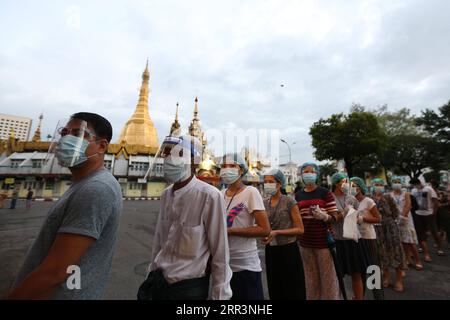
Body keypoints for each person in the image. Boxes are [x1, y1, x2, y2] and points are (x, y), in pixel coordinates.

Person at [7, 112, 122, 299]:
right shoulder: (83, 184)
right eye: (64, 133)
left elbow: (55, 272)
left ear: (101, 146)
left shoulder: (96, 188)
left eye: (77, 133)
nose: (66, 139)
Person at [140, 135, 232, 300]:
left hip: (189, 288)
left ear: (194, 161)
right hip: (159, 283)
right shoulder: (166, 194)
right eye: (166, 153)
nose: (168, 158)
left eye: (176, 153)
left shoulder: (210, 196)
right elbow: (159, 241)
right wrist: (151, 274)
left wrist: (220, 296)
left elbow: (220, 253)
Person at [219, 153, 271, 300]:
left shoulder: (250, 192)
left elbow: (264, 229)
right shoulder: (220, 195)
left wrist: (230, 231)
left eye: (232, 166)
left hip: (246, 266)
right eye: (223, 166)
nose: (226, 169)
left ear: (241, 170)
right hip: (224, 267)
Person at [295, 162, 341, 300]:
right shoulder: (298, 195)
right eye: (306, 171)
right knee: (310, 279)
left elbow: (336, 215)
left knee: (328, 279)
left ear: (317, 175)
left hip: (324, 243)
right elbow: (296, 218)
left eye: (312, 171)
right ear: (302, 175)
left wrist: (326, 216)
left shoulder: (324, 193)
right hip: (305, 243)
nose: (309, 174)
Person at [262, 169, 305, 300]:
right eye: (265, 182)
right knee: (275, 288)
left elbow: (300, 229)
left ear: (279, 184)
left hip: (289, 250)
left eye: (271, 182)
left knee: (293, 288)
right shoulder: (264, 203)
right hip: (271, 250)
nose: (267, 184)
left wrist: (277, 232)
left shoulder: (289, 201)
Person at [331, 172, 368, 300]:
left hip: (353, 238)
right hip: (338, 239)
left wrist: (357, 216)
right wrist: (342, 213)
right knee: (337, 275)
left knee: (356, 272)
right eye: (343, 181)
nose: (346, 184)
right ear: (336, 183)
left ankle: (359, 298)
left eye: (347, 181)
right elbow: (332, 217)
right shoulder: (330, 198)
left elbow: (357, 214)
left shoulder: (351, 197)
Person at [349, 177, 383, 300]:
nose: (354, 188)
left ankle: (378, 297)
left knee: (373, 268)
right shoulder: (350, 202)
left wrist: (363, 219)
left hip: (368, 237)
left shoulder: (368, 201)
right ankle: (360, 296)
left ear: (361, 187)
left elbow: (378, 219)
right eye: (351, 185)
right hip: (356, 238)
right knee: (360, 269)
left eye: (356, 185)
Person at [371, 178, 407, 293]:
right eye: (376, 184)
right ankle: (387, 277)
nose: (378, 186)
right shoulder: (370, 199)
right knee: (381, 253)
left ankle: (399, 280)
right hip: (377, 229)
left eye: (380, 184)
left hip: (390, 228)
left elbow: (395, 212)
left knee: (396, 251)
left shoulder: (388, 197)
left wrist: (391, 223)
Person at [390, 176, 423, 270]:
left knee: (411, 241)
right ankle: (407, 259)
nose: (396, 183)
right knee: (402, 241)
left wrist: (402, 217)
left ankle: (418, 261)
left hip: (407, 220)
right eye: (394, 181)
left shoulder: (406, 194)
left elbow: (408, 205)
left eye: (398, 181)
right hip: (395, 220)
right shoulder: (389, 195)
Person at [410, 178, 445, 259]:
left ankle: (440, 248)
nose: (415, 186)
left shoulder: (429, 189)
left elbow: (435, 201)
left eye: (415, 184)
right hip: (418, 213)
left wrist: (434, 212)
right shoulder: (413, 191)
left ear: (418, 182)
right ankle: (423, 248)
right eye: (413, 185)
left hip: (429, 213)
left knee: (434, 231)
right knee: (420, 232)